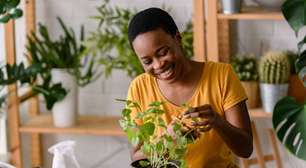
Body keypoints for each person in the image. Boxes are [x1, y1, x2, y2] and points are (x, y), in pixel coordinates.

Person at [126, 7, 253, 168]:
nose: (158, 65)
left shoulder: (222, 75)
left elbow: (246, 149)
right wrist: (167, 140)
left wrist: (217, 122)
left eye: (163, 52)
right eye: (147, 61)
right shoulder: (138, 88)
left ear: (178, 38)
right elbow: (136, 157)